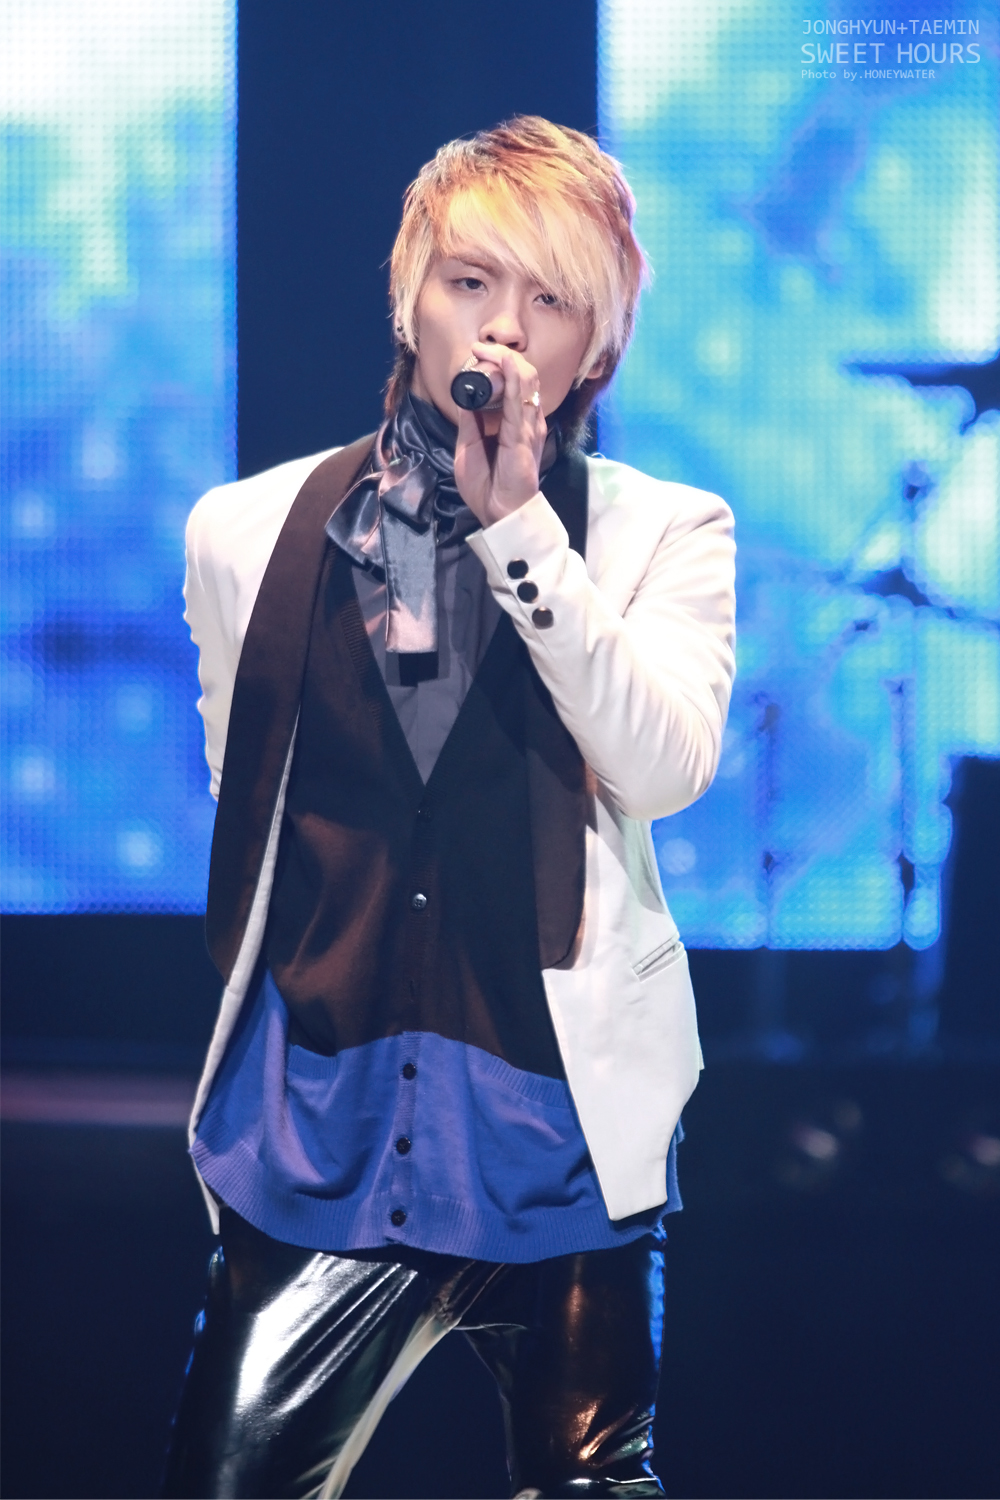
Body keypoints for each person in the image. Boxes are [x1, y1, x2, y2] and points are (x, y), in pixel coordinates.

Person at [163, 115, 736, 1500]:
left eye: (550, 301)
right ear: (408, 298)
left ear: (596, 348)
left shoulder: (664, 532)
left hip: (557, 1130)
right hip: (325, 1125)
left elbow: (663, 767)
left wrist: (521, 532)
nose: (503, 330)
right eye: (470, 282)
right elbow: (252, 791)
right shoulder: (245, 531)